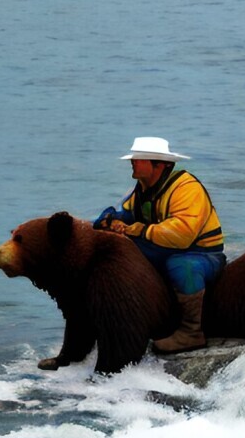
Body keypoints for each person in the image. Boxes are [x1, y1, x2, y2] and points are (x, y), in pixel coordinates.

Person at [94, 136, 225, 354]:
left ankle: (192, 332)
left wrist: (138, 230)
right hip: (163, 247)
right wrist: (109, 220)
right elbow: (126, 213)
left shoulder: (187, 188)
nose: (133, 162)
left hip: (201, 253)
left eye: (139, 159)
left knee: (182, 266)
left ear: (159, 165)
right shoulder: (142, 188)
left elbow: (181, 234)